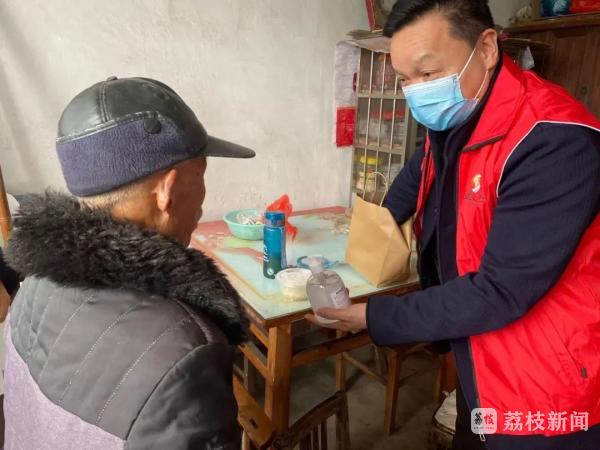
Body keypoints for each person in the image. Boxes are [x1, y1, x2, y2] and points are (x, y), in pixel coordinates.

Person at [307, 1, 600, 449]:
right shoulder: (458, 116)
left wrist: (373, 316)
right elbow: (417, 176)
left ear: (486, 48)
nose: (417, 91)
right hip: (479, 351)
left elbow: (500, 291)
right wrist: (370, 230)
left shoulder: (553, 141)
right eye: (404, 78)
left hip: (546, 376)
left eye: (428, 73)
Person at [4, 77, 255, 449]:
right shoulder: (185, 354)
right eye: (200, 174)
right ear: (168, 191)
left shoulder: (32, 288)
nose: (203, 199)